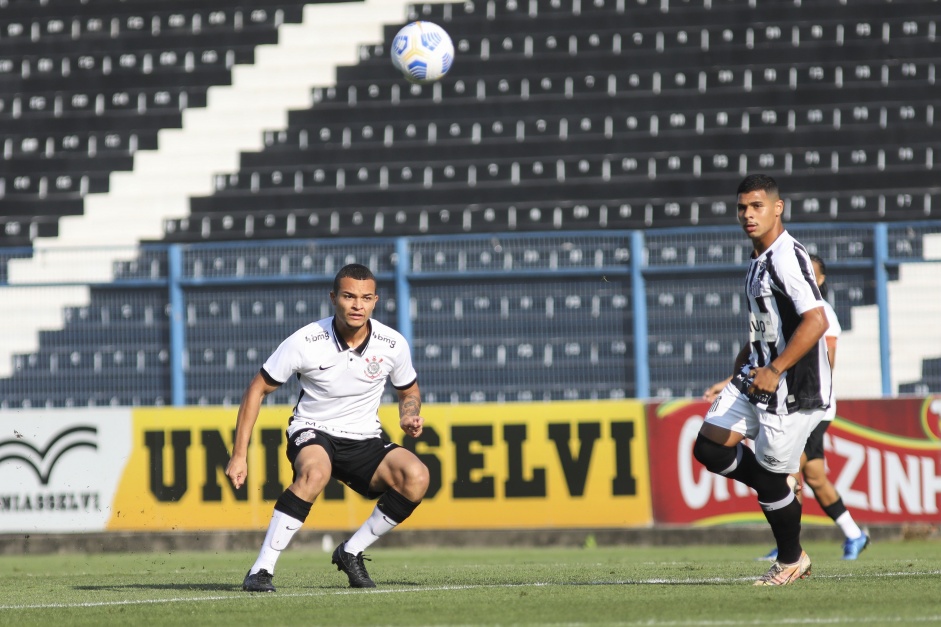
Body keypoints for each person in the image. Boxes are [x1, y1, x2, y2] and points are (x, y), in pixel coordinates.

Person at [225, 263, 429, 592]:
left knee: (417, 477)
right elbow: (256, 389)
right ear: (333, 298)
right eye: (349, 296)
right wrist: (239, 455)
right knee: (315, 473)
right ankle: (261, 570)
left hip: (365, 439)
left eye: (365, 298)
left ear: (375, 301)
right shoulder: (305, 341)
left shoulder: (392, 344)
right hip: (313, 430)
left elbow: (409, 390)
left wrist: (409, 413)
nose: (357, 305)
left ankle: (351, 552)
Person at [692, 174, 831, 586]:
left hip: (790, 386)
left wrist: (774, 369)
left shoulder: (786, 257)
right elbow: (764, 329)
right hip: (755, 375)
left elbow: (816, 321)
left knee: (769, 480)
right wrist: (740, 371)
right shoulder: (758, 258)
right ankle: (779, 484)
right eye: (742, 208)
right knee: (710, 447)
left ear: (777, 207)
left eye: (756, 206)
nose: (748, 214)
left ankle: (791, 559)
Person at [705, 254, 870, 561]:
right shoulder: (783, 308)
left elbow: (826, 361)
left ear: (817, 279)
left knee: (791, 474)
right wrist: (731, 380)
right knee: (812, 475)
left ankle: (791, 548)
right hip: (787, 397)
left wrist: (787, 380)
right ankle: (849, 535)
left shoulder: (823, 314)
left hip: (810, 406)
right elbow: (761, 350)